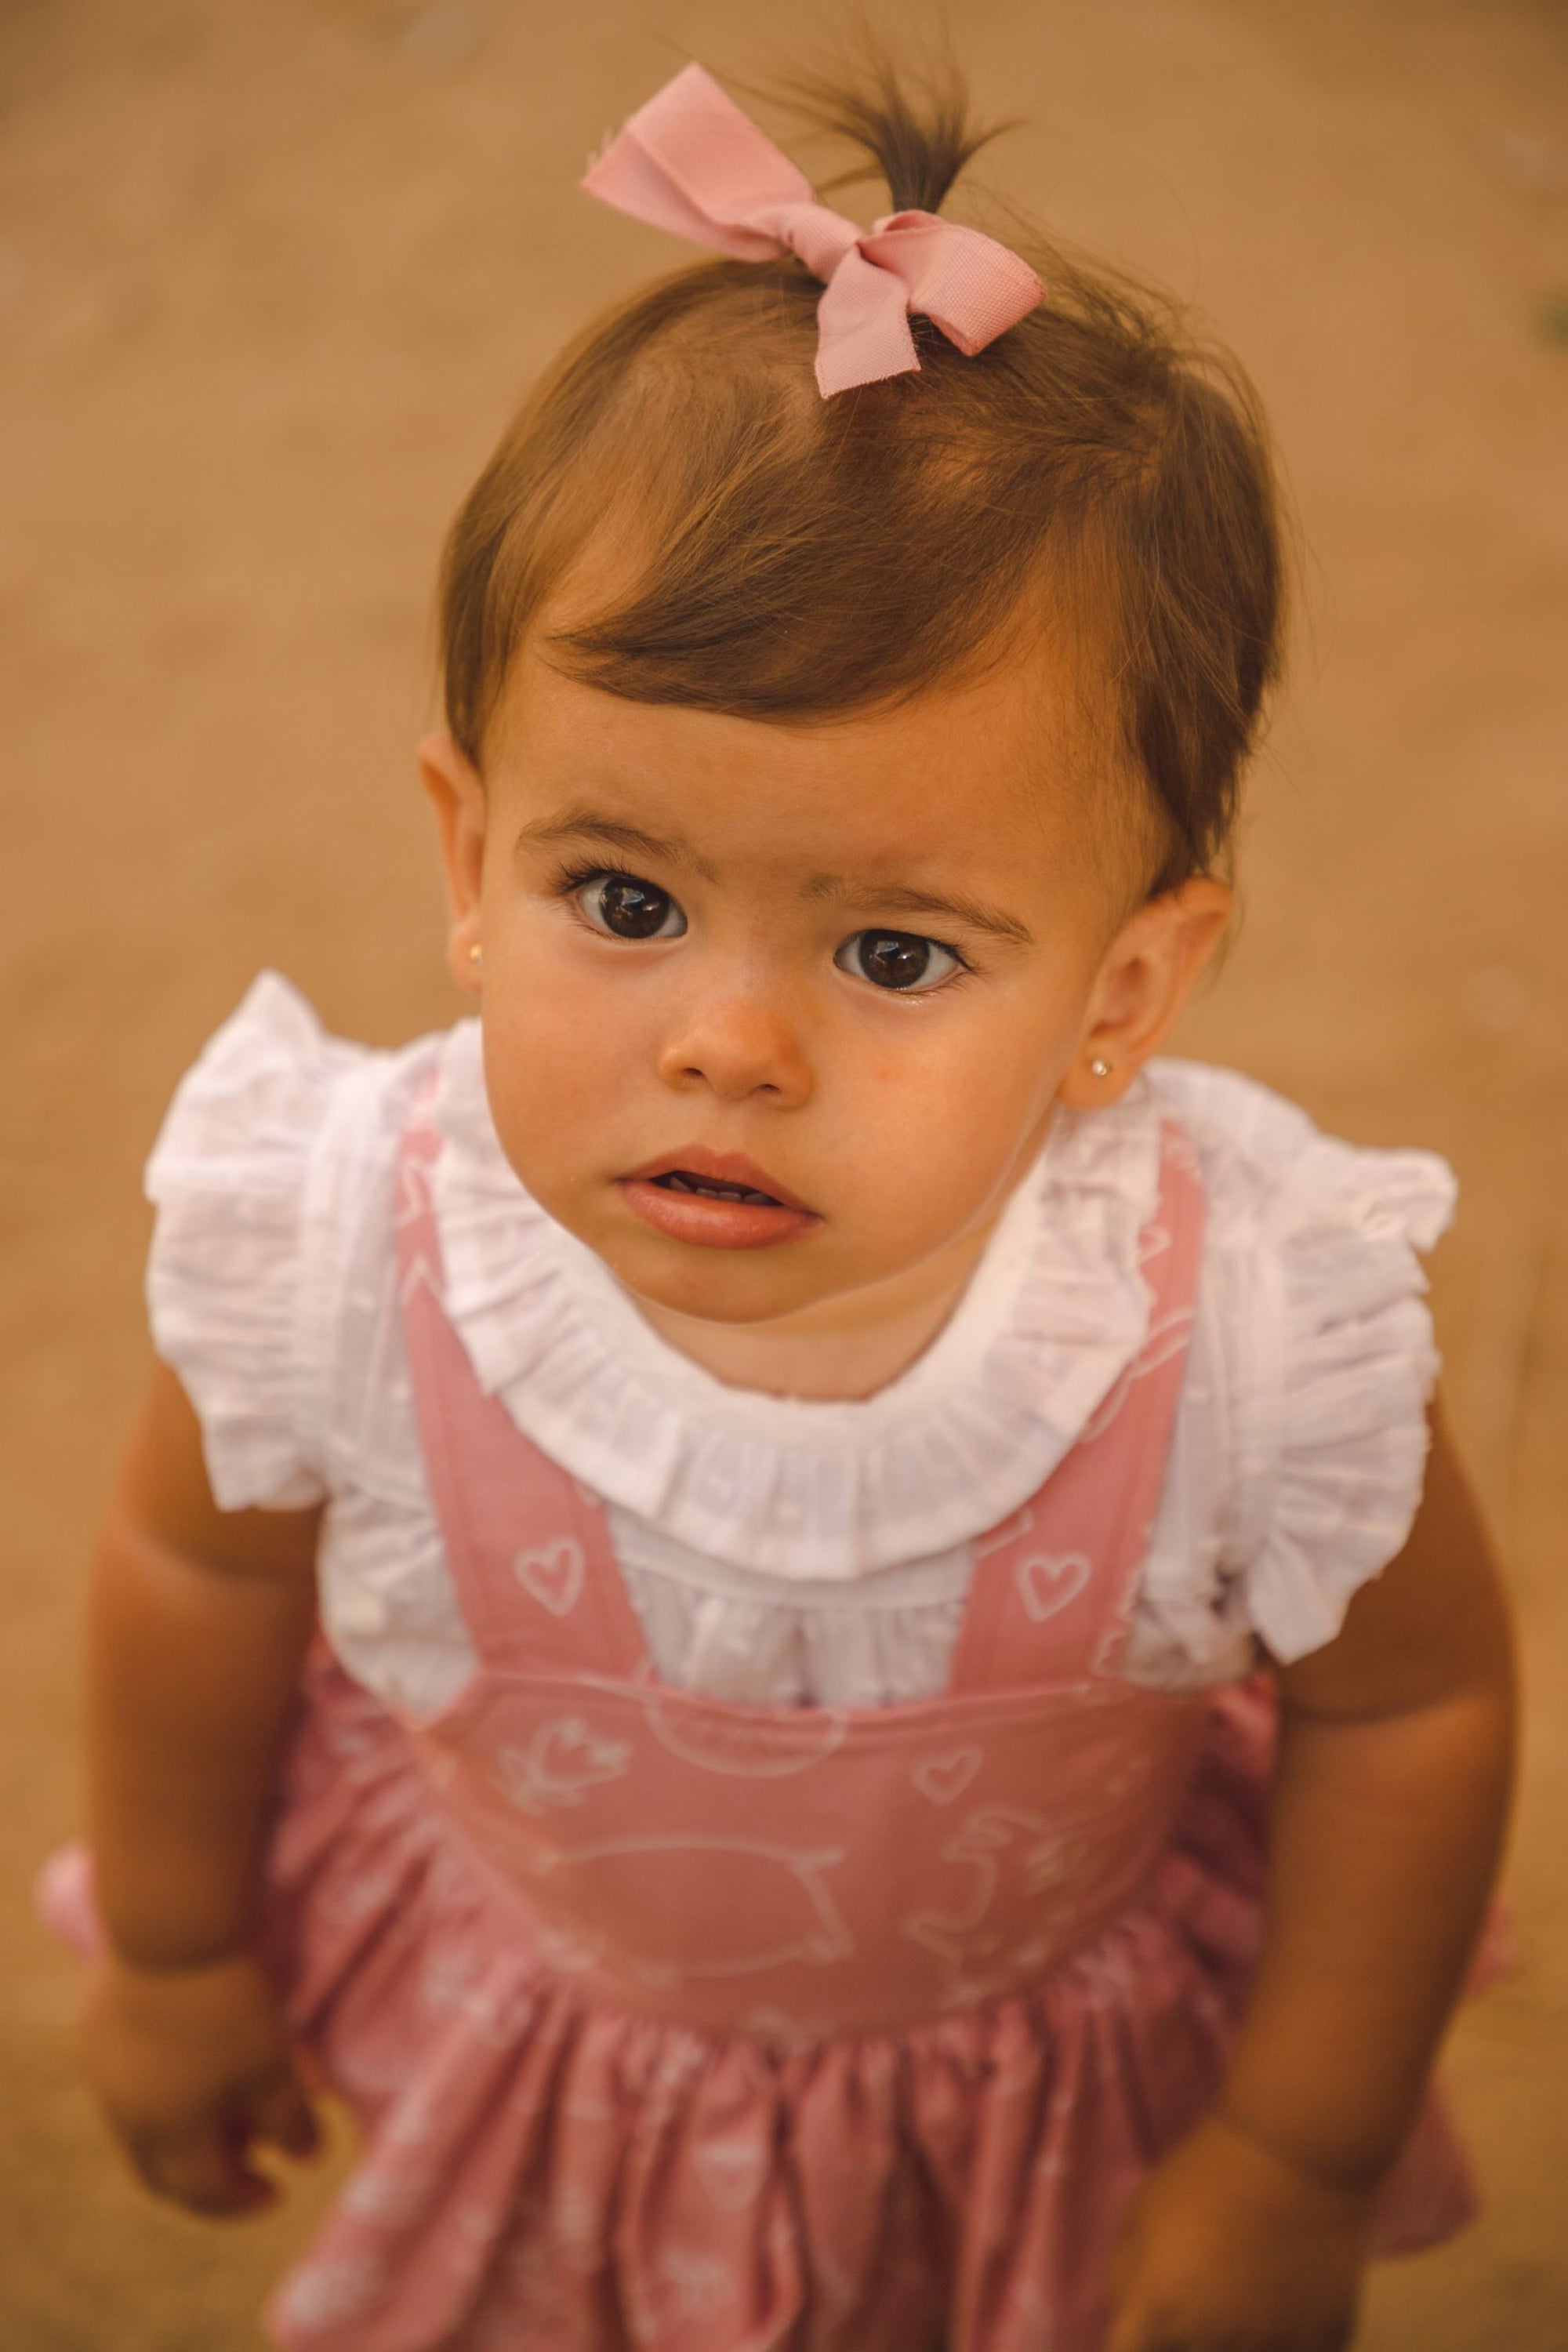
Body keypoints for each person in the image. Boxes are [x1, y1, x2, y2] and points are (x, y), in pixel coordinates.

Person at [42, 56, 1515, 2352]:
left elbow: (1412, 1711)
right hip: (549, 2065)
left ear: (1126, 989)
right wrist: (174, 1947)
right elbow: (191, 1559)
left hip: (1039, 2125)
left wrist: (1296, 2150)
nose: (730, 1043)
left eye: (896, 952)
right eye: (621, 896)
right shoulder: (340, 1234)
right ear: (467, 858)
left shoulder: (1247, 1329)